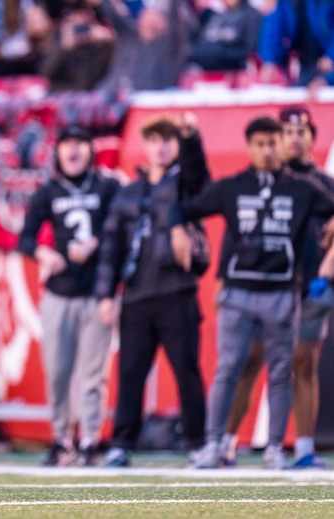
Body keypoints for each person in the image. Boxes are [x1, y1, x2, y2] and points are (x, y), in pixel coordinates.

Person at [175, 116, 334, 470]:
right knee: (231, 369)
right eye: (260, 143)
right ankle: (216, 443)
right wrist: (176, 228)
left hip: (284, 292)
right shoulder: (233, 186)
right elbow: (188, 203)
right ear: (248, 147)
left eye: (272, 142)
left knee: (284, 371)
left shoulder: (305, 187)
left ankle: (277, 448)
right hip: (240, 290)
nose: (267, 150)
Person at [96, 113, 210, 468]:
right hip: (136, 295)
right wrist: (104, 295)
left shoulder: (185, 184)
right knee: (130, 373)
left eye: (169, 140)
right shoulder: (128, 191)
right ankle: (120, 444)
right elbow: (111, 247)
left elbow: (200, 179)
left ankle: (197, 443)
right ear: (144, 145)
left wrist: (191, 140)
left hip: (177, 290)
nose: (161, 146)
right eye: (155, 139)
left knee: (186, 370)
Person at [16, 125, 118, 467]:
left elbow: (124, 229)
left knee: (93, 374)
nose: (73, 151)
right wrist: (45, 254)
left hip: (95, 293)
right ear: (57, 152)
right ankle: (62, 439)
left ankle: (89, 439)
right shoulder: (49, 191)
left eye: (80, 144)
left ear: (90, 149)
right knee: (58, 372)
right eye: (67, 145)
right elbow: (25, 239)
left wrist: (98, 243)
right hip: (59, 294)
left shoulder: (107, 186)